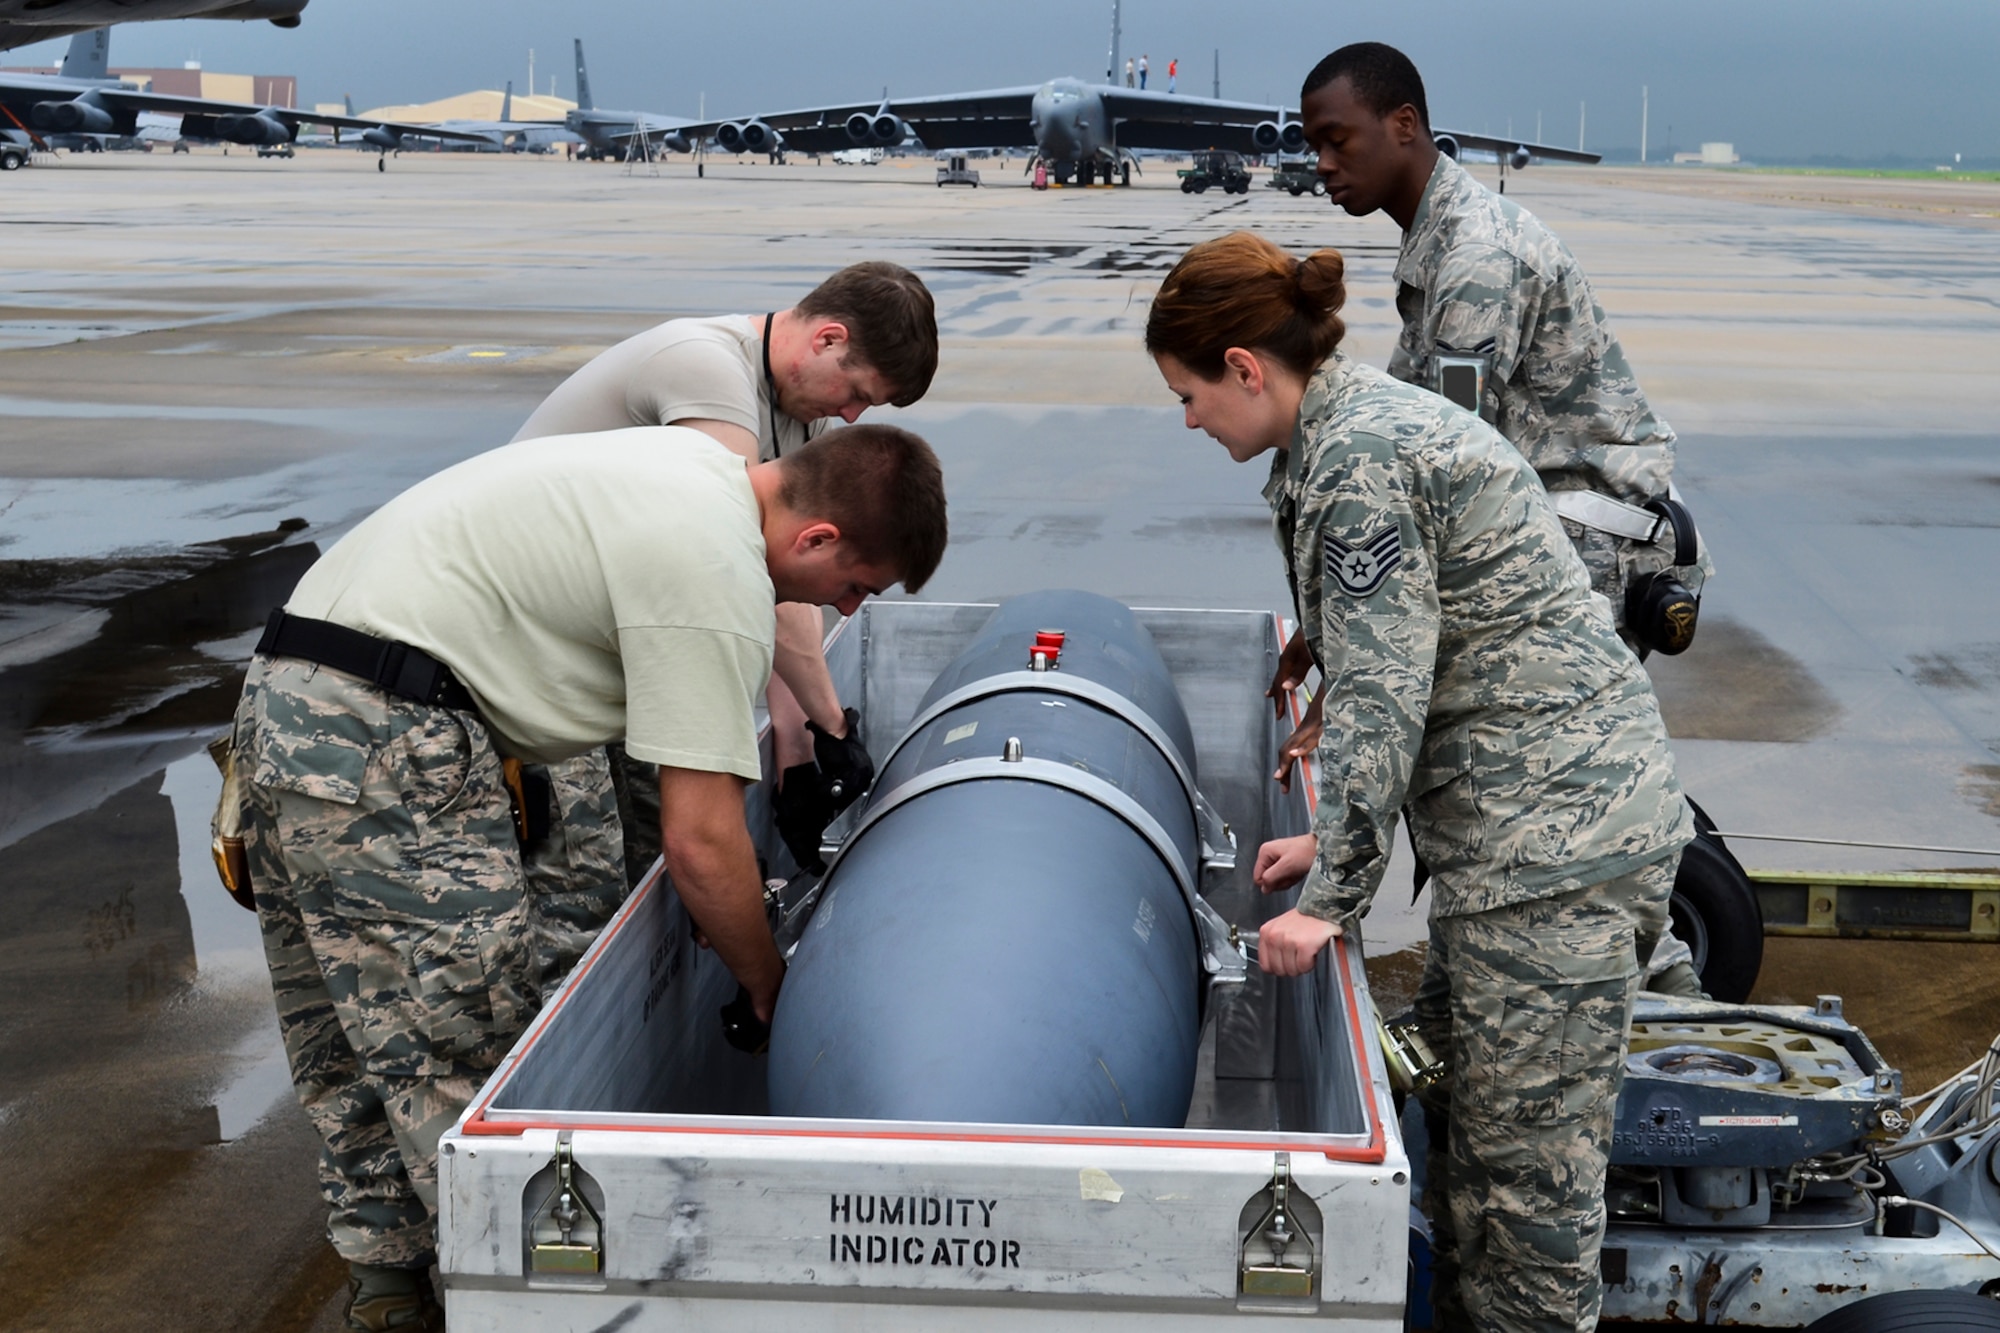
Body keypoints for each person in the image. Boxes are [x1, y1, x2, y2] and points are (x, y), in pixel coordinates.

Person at [232, 423, 947, 1331]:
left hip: (288, 689)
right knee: (465, 1037)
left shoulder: (689, 471)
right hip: (389, 733)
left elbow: (655, 779)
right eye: (852, 587)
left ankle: (385, 1284)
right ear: (816, 539)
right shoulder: (715, 573)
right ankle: (522, 1304)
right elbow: (702, 840)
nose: (842, 608)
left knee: (355, 1018)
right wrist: (768, 983)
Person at [1145, 231, 1690, 1333]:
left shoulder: (1358, 460)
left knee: (1527, 1218)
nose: (1189, 420)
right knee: (1465, 1168)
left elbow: (1386, 702)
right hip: (1520, 844)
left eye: (1190, 393)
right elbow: (1392, 646)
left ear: (1246, 367)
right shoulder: (1345, 428)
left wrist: (1328, 900)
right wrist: (1325, 840)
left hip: (1556, 856)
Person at [1288, 41, 1710, 999]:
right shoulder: (1440, 238)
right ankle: (1600, 992)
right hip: (1540, 541)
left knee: (1540, 806)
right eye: (1314, 143)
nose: (1321, 162)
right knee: (1544, 806)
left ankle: (1665, 1007)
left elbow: (1437, 467)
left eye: (1336, 138)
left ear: (1404, 127)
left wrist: (1352, 653)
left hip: (1579, 555)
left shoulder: (1476, 257)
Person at [513, 261, 939, 881]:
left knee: (655, 858)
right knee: (587, 880)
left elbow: (784, 583)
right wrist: (831, 723)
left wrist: (798, 748)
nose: (851, 418)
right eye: (857, 395)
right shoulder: (706, 368)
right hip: (535, 639)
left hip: (612, 637)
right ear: (828, 340)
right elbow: (732, 558)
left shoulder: (798, 420)